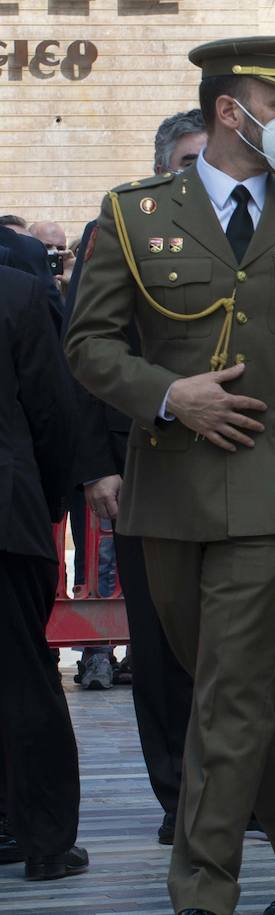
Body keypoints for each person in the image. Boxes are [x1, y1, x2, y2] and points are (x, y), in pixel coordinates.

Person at [65, 35, 275, 914]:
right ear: (228, 110)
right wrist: (170, 395)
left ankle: (202, 892)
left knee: (226, 699)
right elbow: (88, 346)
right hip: (168, 485)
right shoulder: (133, 214)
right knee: (233, 693)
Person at [67, 109, 205, 845]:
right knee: (159, 645)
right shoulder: (118, 229)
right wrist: (96, 466)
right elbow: (83, 358)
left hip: (231, 463)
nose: (197, 174)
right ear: (161, 167)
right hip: (141, 462)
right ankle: (178, 793)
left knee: (240, 644)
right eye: (186, 161)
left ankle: (242, 788)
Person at [0, 262, 83, 882]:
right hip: (8, 519)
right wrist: (50, 502)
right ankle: (45, 839)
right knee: (24, 679)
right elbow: (53, 412)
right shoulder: (19, 292)